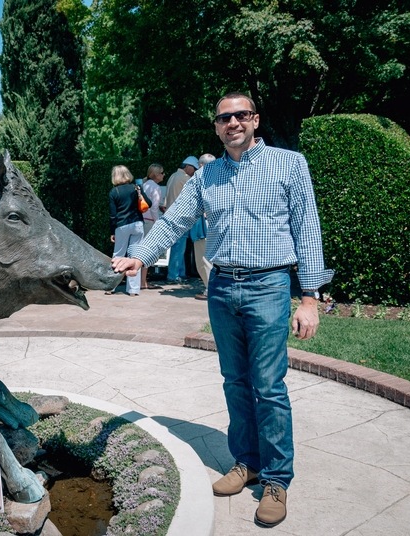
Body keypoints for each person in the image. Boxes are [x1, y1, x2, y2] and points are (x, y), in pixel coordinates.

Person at [112, 91, 333, 528]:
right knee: (234, 381)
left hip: (269, 286)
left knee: (268, 386)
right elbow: (174, 221)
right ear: (215, 127)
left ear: (254, 120)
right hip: (221, 287)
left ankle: (276, 479)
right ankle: (246, 462)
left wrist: (309, 298)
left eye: (240, 115)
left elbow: (308, 229)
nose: (232, 123)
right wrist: (140, 255)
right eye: (223, 118)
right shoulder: (206, 177)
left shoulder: (290, 165)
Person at [107, 165, 152, 296]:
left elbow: (113, 215)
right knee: (135, 255)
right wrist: (140, 191)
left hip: (122, 225)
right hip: (137, 224)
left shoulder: (114, 192)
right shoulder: (136, 187)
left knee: (118, 255)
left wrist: (112, 231)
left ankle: (111, 286)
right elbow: (148, 203)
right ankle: (133, 289)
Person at [164, 156, 199, 283]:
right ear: (188, 167)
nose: (195, 172)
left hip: (172, 216)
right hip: (181, 218)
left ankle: (181, 273)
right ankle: (173, 275)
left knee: (179, 247)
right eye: (194, 169)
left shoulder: (173, 176)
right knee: (179, 247)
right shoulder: (185, 179)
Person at [189, 153, 216, 299]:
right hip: (214, 225)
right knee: (211, 258)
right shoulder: (220, 178)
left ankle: (209, 290)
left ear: (200, 166)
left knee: (204, 259)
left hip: (203, 225)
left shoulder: (200, 180)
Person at [140, 164, 165, 290]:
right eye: (162, 172)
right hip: (150, 221)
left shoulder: (144, 185)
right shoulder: (156, 187)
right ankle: (143, 282)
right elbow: (154, 208)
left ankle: (140, 280)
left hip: (140, 220)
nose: (163, 175)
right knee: (147, 251)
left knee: (139, 250)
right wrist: (158, 223)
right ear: (156, 174)